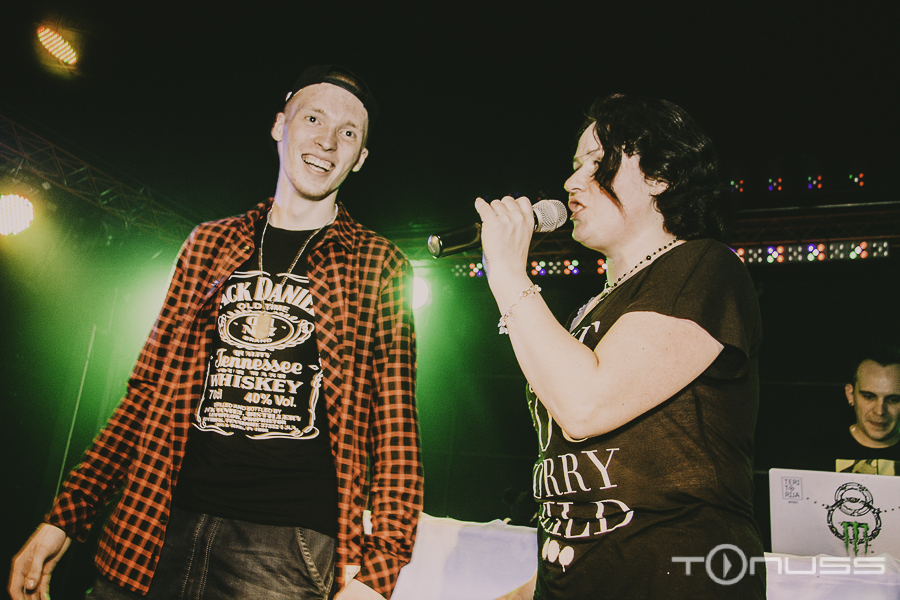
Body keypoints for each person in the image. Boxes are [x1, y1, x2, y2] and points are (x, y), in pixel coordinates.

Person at [8, 65, 422, 600]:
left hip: (285, 550)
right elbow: (144, 394)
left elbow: (395, 427)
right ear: (280, 125)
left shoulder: (379, 264)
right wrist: (65, 516)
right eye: (313, 119)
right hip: (154, 527)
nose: (327, 140)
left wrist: (379, 573)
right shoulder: (208, 244)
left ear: (360, 157)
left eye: (348, 132)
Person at [475, 93, 765, 599]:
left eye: (595, 161)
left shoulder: (704, 266)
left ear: (660, 175)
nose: (572, 181)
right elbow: (581, 499)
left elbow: (585, 405)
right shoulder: (591, 312)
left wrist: (505, 271)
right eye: (574, 165)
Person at [833, 346, 900, 475]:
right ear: (850, 395)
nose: (880, 411)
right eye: (869, 397)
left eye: (893, 400)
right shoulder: (814, 451)